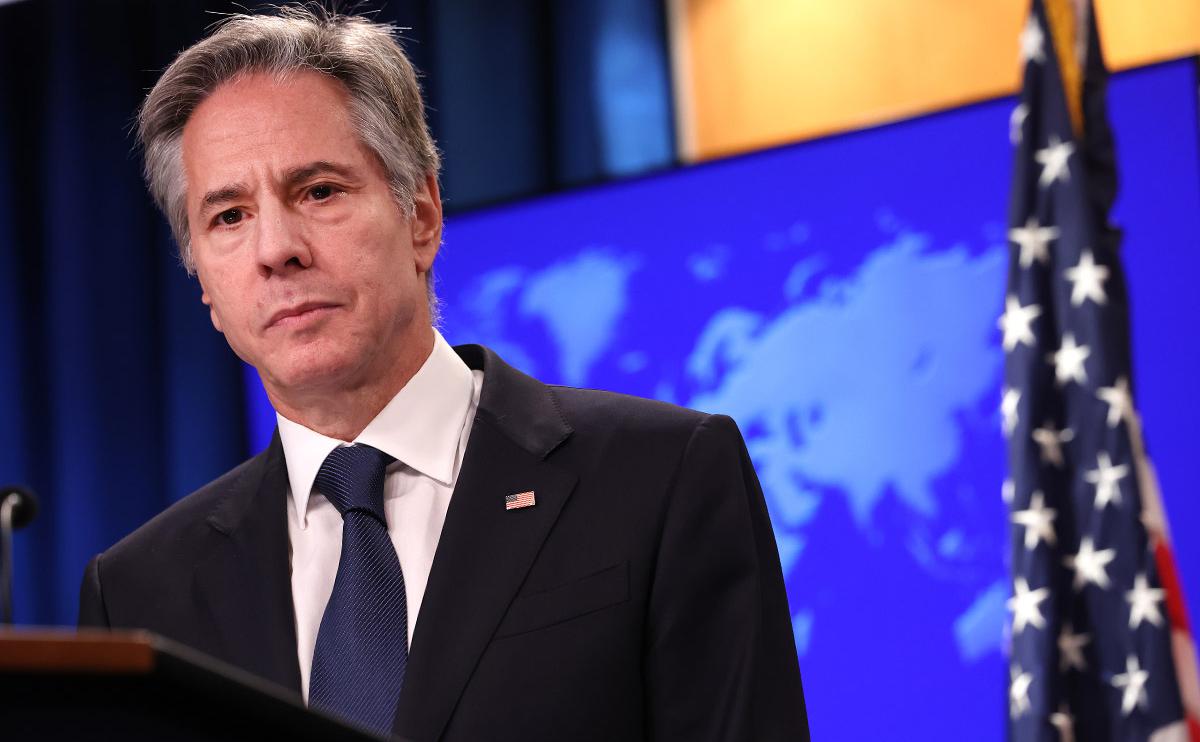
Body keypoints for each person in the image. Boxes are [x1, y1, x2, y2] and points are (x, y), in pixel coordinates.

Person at [77, 7, 808, 741]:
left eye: (318, 191)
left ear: (421, 214)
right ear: (204, 283)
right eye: (229, 217)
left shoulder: (662, 476)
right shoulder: (139, 595)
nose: (276, 250)